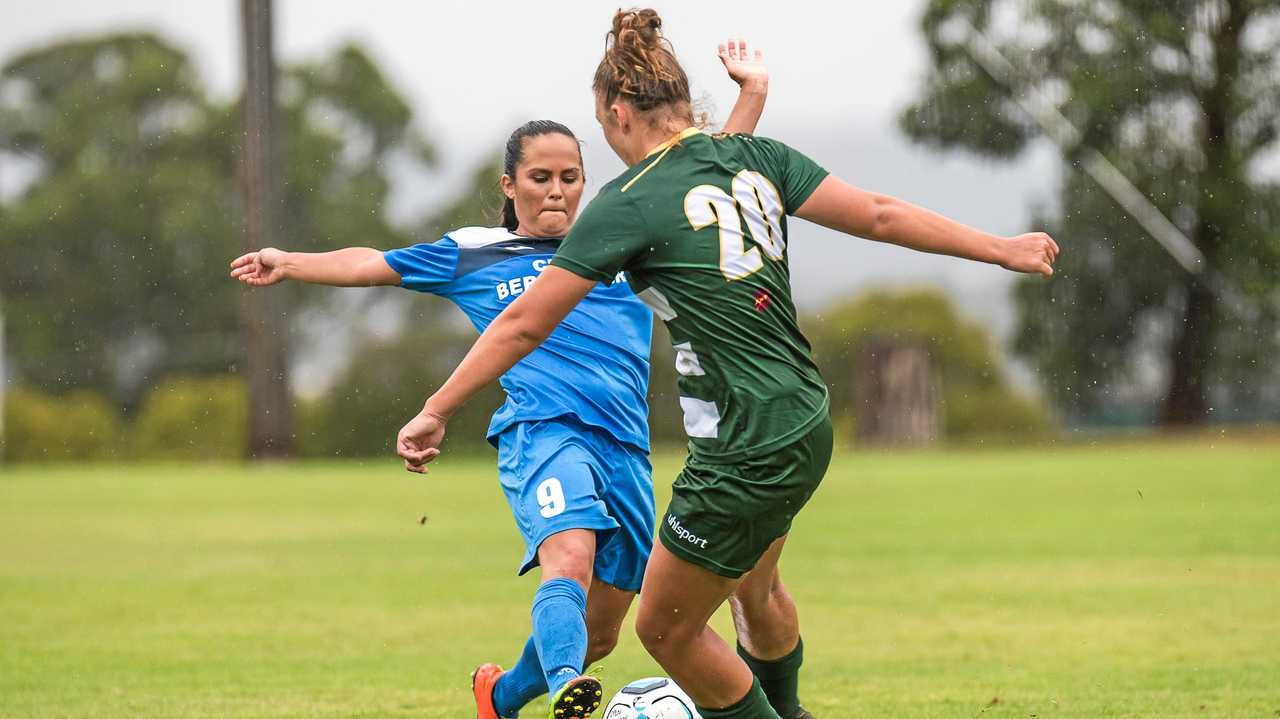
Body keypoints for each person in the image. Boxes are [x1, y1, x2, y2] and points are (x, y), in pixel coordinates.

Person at [394, 8, 1061, 719]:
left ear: (619, 114)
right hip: (806, 417)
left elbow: (525, 321)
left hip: (742, 444)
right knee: (754, 587)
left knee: (664, 628)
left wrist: (437, 407)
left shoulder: (628, 201)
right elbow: (878, 212)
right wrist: (1001, 246)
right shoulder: (757, 158)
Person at [231, 38, 771, 719]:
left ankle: (502, 695)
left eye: (570, 177)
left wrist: (751, 96)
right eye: (541, 177)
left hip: (627, 451)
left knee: (604, 629)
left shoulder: (619, 232)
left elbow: (704, 188)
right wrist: (291, 260)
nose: (557, 190)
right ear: (509, 186)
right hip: (543, 434)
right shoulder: (474, 253)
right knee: (567, 556)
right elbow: (374, 262)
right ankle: (570, 682)